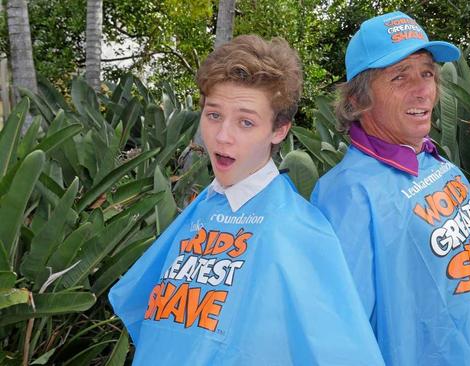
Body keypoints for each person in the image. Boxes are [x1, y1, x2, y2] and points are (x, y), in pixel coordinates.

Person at [109, 34, 384, 365]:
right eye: (213, 115)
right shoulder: (204, 206)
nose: (223, 136)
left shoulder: (299, 232)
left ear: (279, 130)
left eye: (246, 122)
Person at [311, 11, 470, 365]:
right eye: (400, 77)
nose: (422, 89)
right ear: (358, 100)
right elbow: (340, 340)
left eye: (426, 72)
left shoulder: (442, 166)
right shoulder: (348, 196)